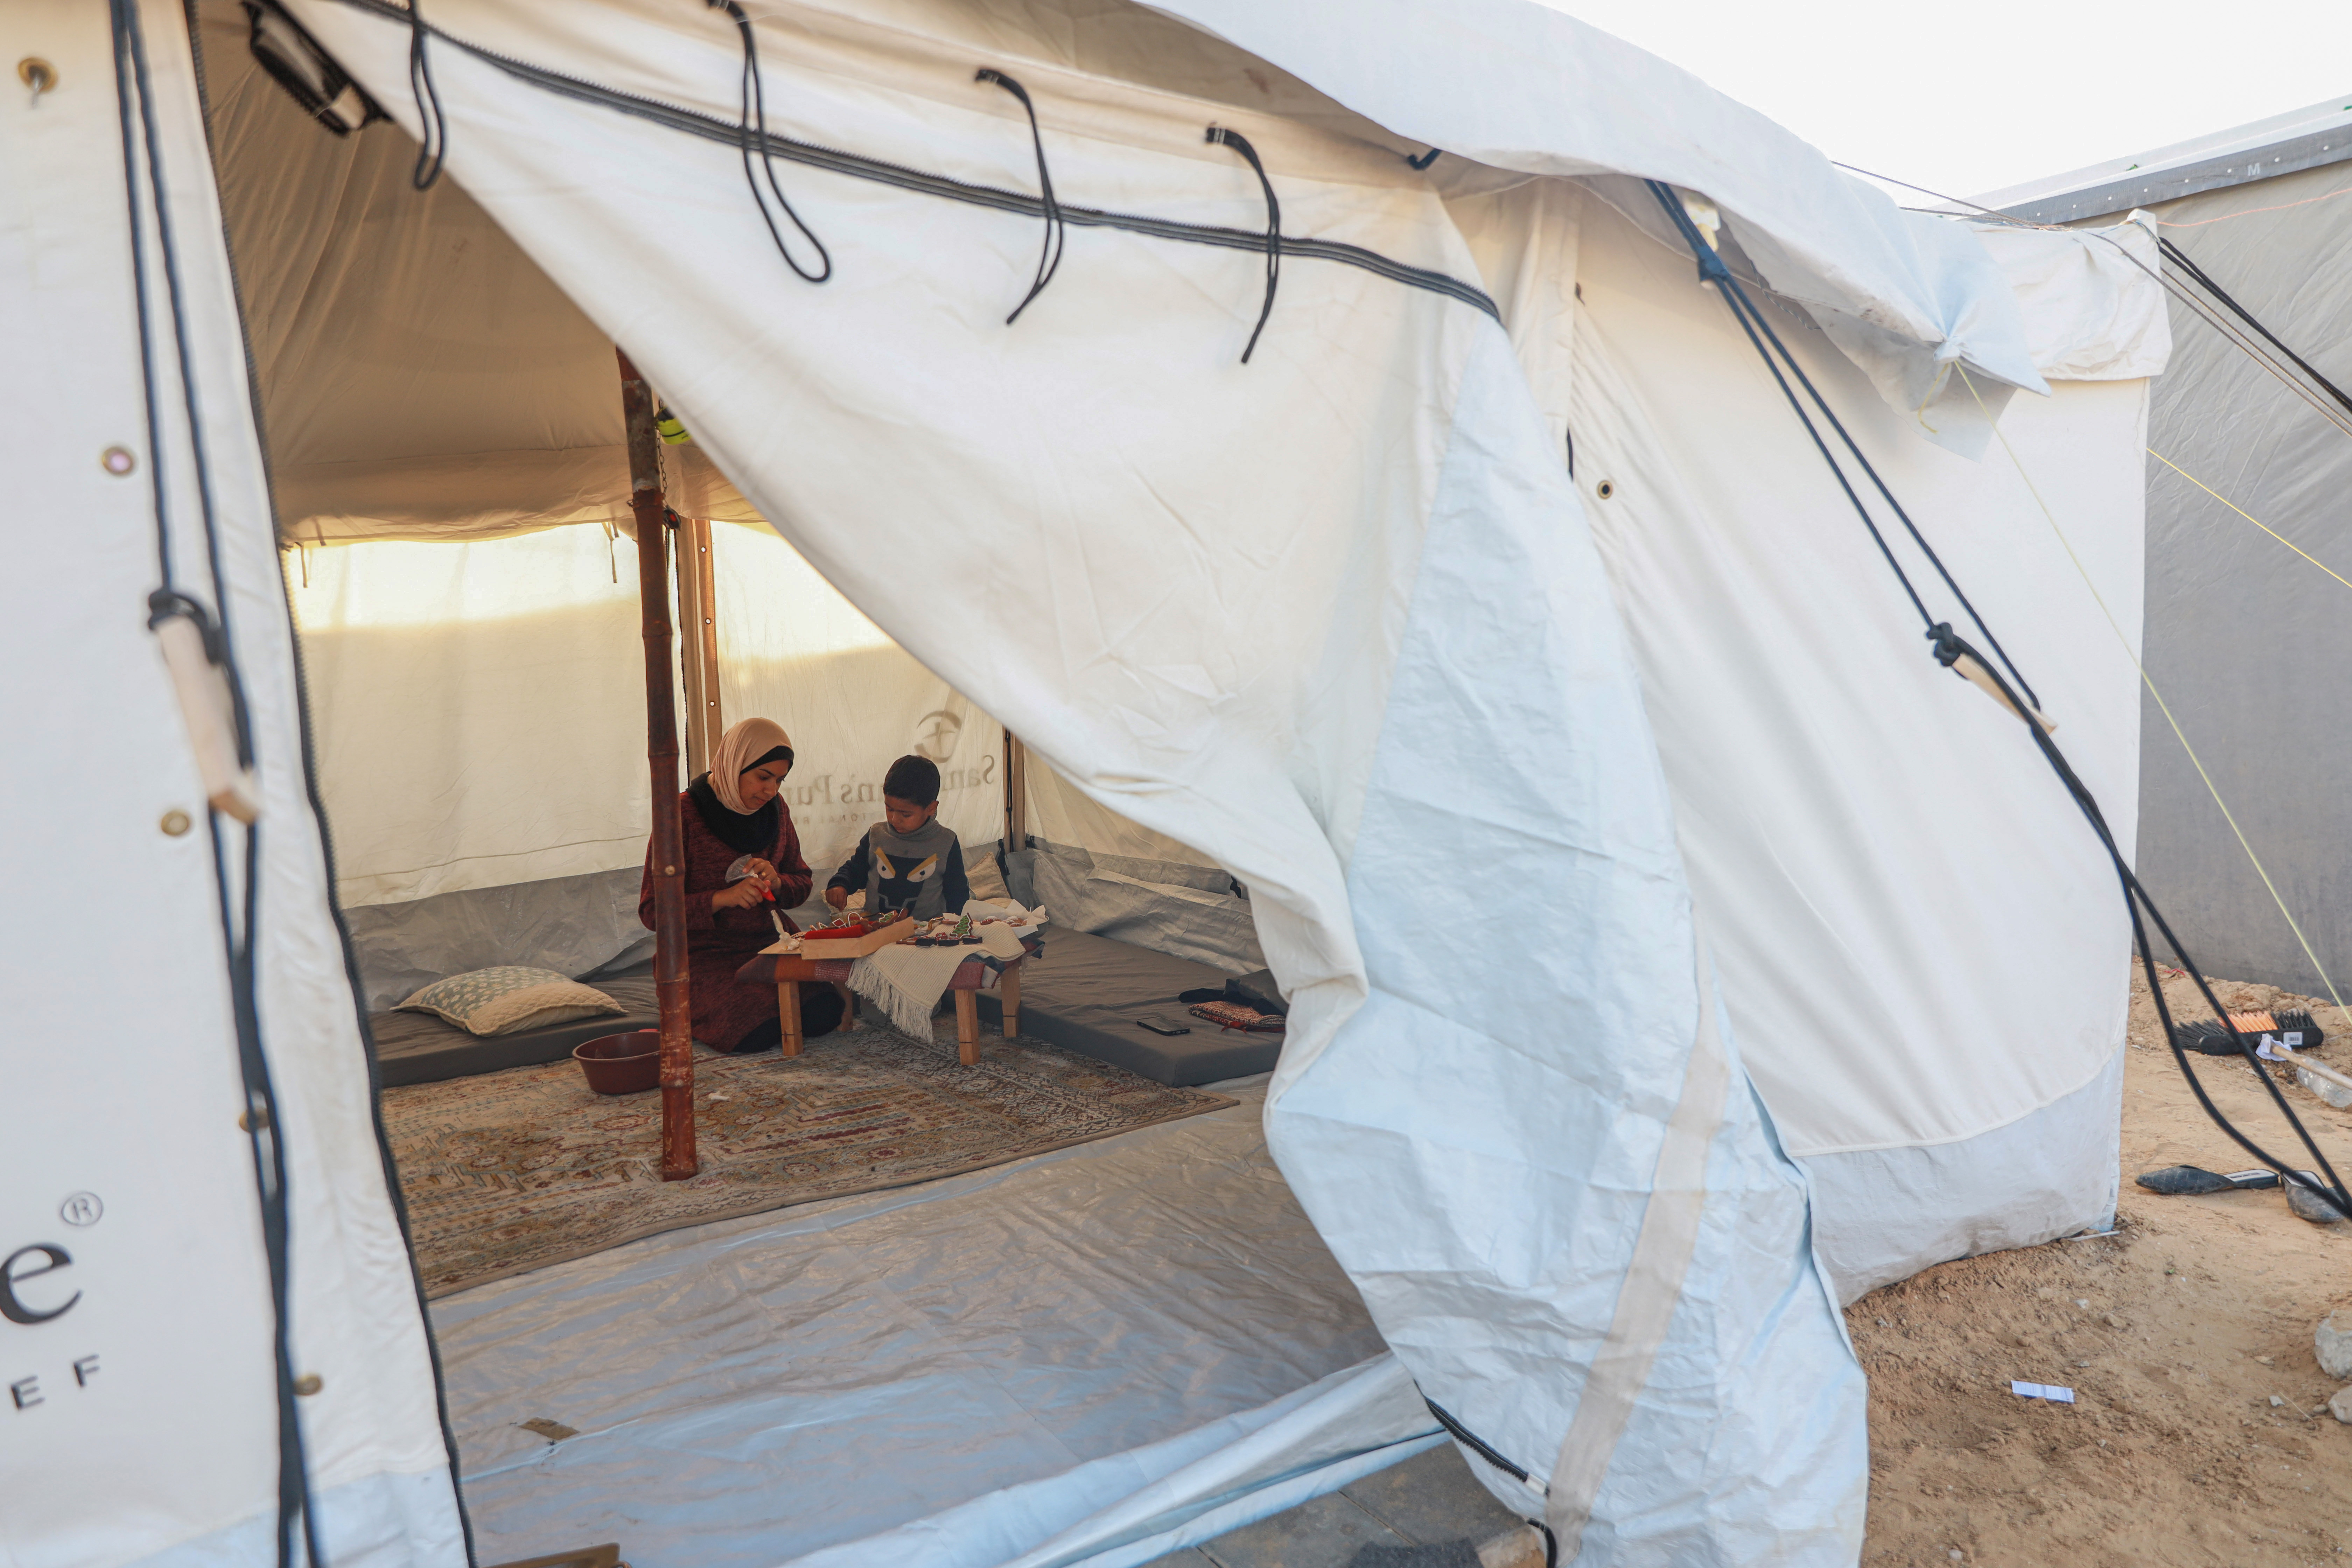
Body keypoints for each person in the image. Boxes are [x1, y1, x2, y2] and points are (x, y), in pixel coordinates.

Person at [638, 716, 846, 1052]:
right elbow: (652, 912)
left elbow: (802, 882)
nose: (771, 790)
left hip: (769, 945)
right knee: (754, 1030)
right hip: (702, 955)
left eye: (780, 780)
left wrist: (778, 882)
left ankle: (764, 1005)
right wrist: (721, 899)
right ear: (734, 764)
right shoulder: (680, 815)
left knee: (825, 1013)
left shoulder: (776, 810)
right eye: (763, 777)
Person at [825, 754, 971, 918]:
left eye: (906, 815)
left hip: (925, 935)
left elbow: (958, 894)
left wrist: (955, 926)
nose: (894, 820)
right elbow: (855, 870)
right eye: (889, 809)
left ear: (931, 808)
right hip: (876, 929)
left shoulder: (946, 842)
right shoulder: (877, 835)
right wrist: (840, 885)